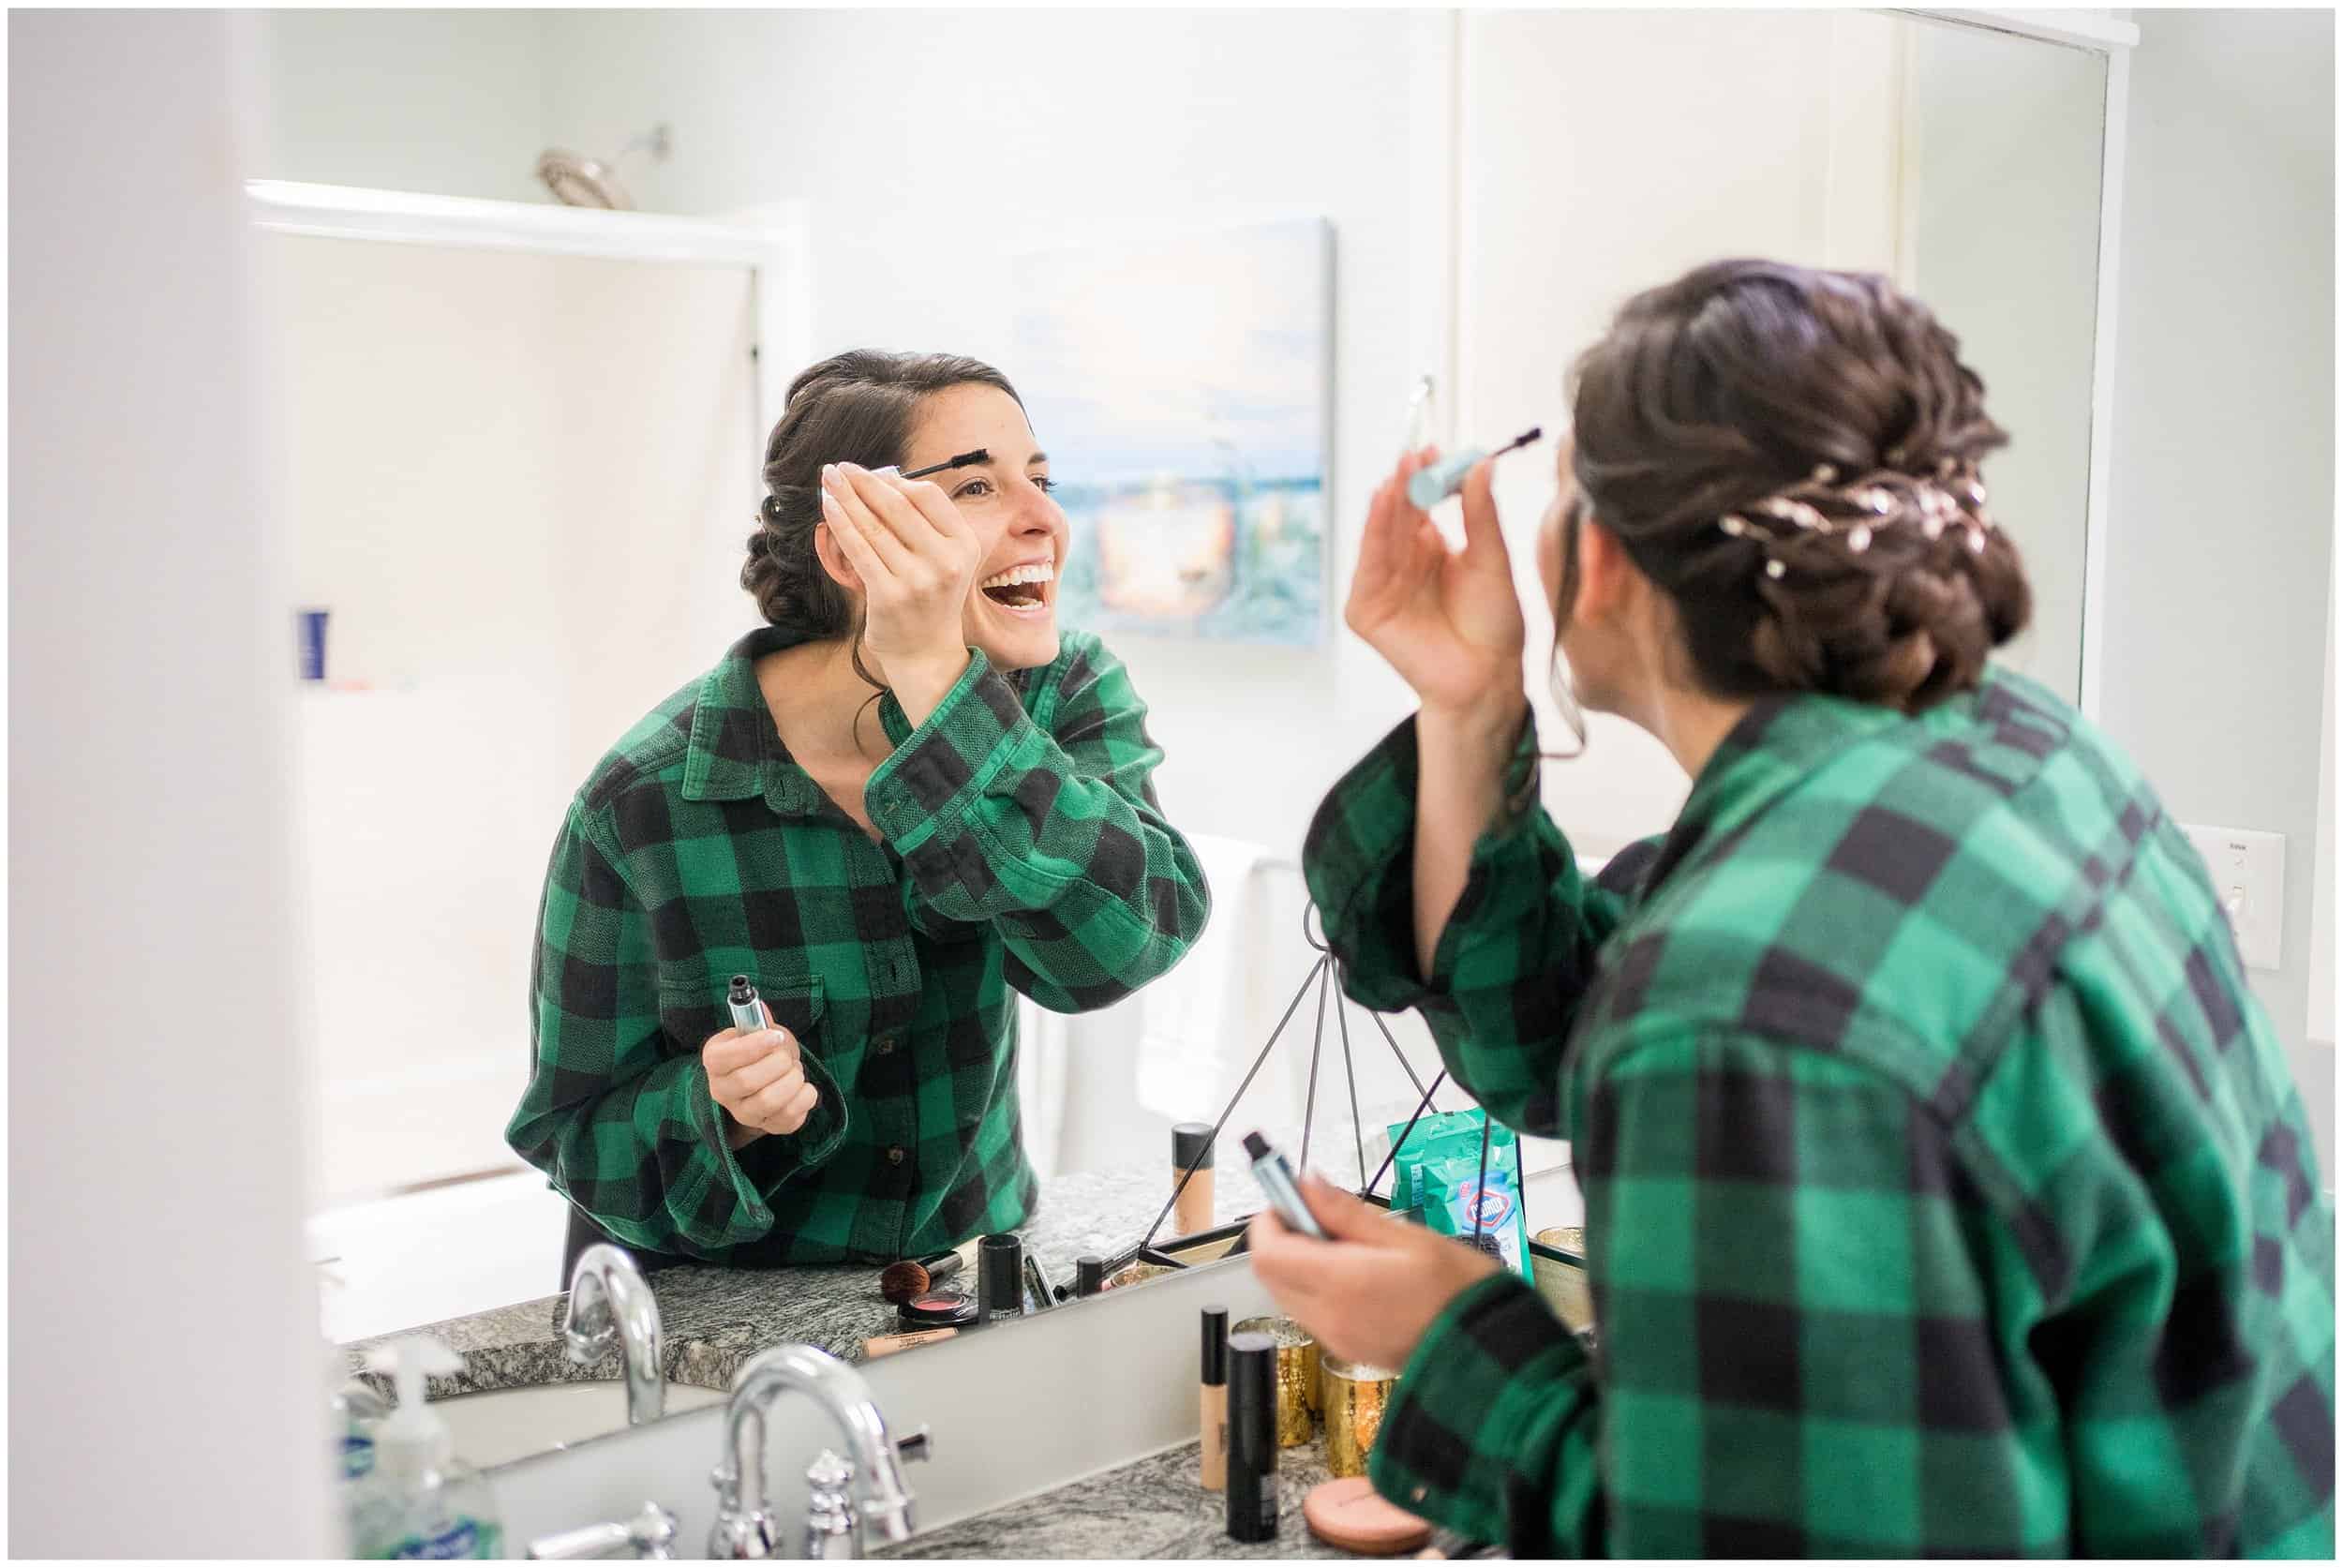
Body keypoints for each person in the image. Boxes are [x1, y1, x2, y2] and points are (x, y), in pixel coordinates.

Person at [1248, 261, 2335, 1557]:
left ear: (1596, 562)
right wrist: (1470, 704)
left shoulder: (1752, 993)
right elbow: (1547, 1037)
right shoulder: (2007, 755)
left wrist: (1452, 1343)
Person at [508, 350, 1210, 1273]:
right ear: (848, 549)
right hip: (731, 1315)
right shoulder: (643, 800)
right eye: (975, 487)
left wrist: (934, 681)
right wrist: (717, 1108)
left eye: (1039, 480)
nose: (1045, 520)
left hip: (973, 1276)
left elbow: (1122, 946)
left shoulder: (1057, 691)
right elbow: (574, 1134)